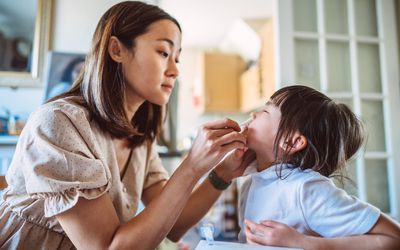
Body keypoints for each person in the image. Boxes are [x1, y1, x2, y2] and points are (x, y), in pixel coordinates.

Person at [0, 2, 253, 249]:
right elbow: (106, 246)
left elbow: (174, 223)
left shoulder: (140, 137)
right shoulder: (58, 124)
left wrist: (223, 173)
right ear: (116, 50)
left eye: (177, 58)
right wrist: (192, 165)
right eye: (164, 53)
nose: (175, 70)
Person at [234, 85, 400, 249]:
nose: (253, 114)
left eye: (265, 111)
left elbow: (394, 237)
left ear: (292, 142)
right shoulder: (250, 184)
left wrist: (304, 243)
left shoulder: (306, 189)